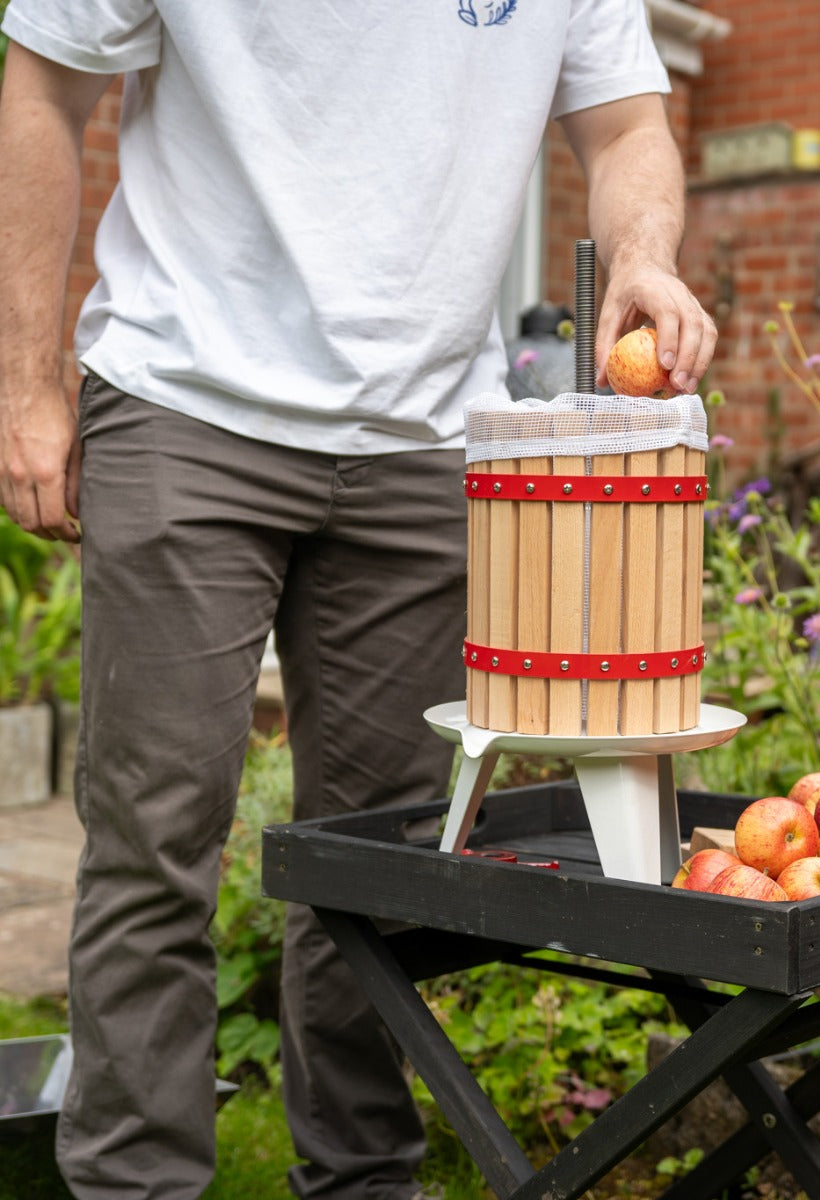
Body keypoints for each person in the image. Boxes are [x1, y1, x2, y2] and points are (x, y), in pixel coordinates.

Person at [0, 3, 717, 1197]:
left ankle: (361, 1182)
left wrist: (642, 253)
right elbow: (43, 88)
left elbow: (629, 123)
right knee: (155, 840)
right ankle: (132, 1186)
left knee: (373, 863)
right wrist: (24, 382)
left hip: (430, 438)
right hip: (189, 399)